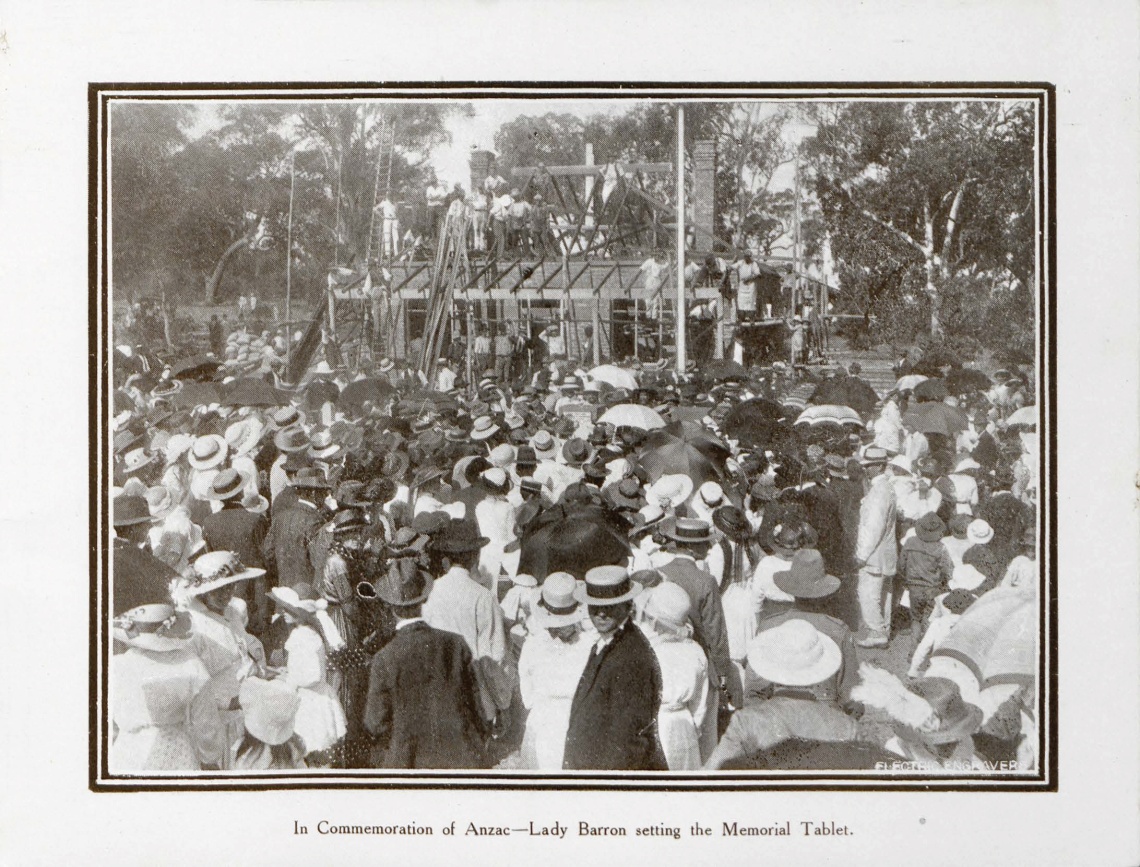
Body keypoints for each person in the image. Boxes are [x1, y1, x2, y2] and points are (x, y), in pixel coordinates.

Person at [363, 557, 490, 768]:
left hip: (409, 761)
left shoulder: (384, 658)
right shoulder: (456, 644)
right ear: (424, 599)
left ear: (390, 608)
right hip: (460, 758)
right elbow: (477, 707)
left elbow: (375, 723)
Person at [704, 620, 857, 769]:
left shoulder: (746, 722)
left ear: (771, 666)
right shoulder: (845, 726)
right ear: (820, 670)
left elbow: (713, 774)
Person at [563, 566, 667, 770]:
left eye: (609, 607)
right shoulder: (609, 641)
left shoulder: (631, 657)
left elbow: (627, 740)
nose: (601, 613)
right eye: (595, 606)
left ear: (627, 605)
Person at [517, 573, 593, 770]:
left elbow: (528, 698)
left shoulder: (532, 645)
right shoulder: (590, 645)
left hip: (543, 724)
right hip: (579, 724)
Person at [638, 582, 712, 771]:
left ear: (653, 620)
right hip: (684, 726)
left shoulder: (646, 652)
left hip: (654, 727)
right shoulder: (696, 651)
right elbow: (700, 704)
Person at [854, 447, 898, 648]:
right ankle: (884, 628)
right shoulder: (886, 487)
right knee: (884, 593)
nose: (866, 469)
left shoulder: (879, 491)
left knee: (868, 593)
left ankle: (876, 631)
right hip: (885, 551)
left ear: (880, 466)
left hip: (874, 552)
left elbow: (874, 526)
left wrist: (862, 554)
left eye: (869, 466)